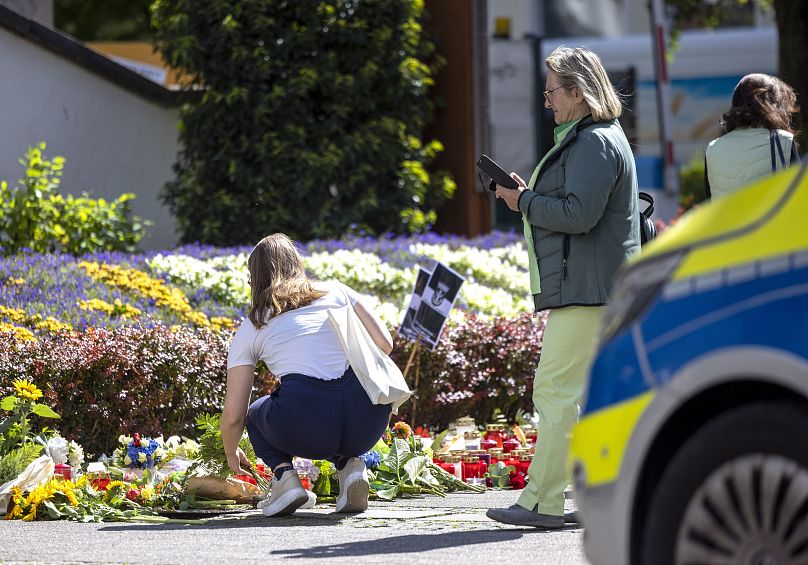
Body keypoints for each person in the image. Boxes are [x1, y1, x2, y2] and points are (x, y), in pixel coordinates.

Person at [487, 46, 640, 529]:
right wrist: (526, 197)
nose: (547, 99)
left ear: (578, 91)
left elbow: (579, 215)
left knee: (553, 391)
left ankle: (542, 502)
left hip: (588, 290)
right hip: (600, 286)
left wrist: (525, 200)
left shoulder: (594, 142)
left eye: (553, 90)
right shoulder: (596, 138)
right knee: (586, 397)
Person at [221, 233, 393, 517]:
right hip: (369, 418)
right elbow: (385, 344)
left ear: (256, 277)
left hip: (308, 422)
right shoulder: (338, 291)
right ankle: (351, 467)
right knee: (334, 413)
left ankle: (285, 480)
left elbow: (234, 416)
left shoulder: (254, 324)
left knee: (256, 412)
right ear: (297, 263)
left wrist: (230, 452)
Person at [705, 73, 800, 199]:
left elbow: (709, 202)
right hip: (771, 218)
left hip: (732, 219)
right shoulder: (783, 141)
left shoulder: (713, 148)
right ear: (774, 105)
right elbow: (800, 197)